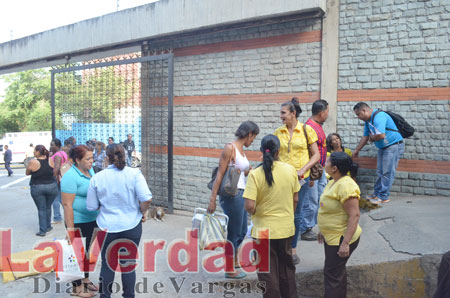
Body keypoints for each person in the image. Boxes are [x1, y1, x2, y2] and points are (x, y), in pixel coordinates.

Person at [86, 144, 152, 298]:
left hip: (106, 227)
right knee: (128, 265)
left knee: (108, 266)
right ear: (124, 155)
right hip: (131, 226)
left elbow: (91, 206)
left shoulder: (97, 177)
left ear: (106, 158)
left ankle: (105, 296)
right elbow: (146, 198)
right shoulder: (134, 174)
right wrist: (142, 211)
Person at [243, 135, 300, 298]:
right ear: (278, 151)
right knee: (287, 269)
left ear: (261, 151)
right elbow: (295, 198)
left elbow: (249, 206)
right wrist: (288, 214)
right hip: (286, 229)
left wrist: (256, 214)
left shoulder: (255, 174)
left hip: (262, 231)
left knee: (267, 272)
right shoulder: (290, 170)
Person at [207, 121, 260, 279]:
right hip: (232, 195)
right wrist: (212, 199)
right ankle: (229, 268)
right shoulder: (230, 148)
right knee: (234, 232)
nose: (253, 141)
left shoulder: (241, 150)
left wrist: (246, 171)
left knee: (243, 230)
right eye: (254, 137)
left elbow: (237, 174)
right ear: (249, 134)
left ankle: (235, 261)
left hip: (241, 194)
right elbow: (220, 174)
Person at [274, 97, 320, 264]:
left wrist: (304, 169)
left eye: (283, 113)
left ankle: (292, 248)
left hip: (301, 180)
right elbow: (275, 155)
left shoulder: (307, 130)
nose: (281, 116)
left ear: (293, 113)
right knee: (281, 213)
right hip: (282, 180)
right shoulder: (278, 132)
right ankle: (280, 246)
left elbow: (316, 154)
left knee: (296, 214)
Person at [318, 151, 361, 298]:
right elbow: (327, 209)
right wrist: (322, 230)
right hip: (332, 237)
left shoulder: (347, 186)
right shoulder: (333, 181)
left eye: (328, 161)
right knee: (336, 272)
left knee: (332, 274)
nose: (325, 163)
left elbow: (354, 215)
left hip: (340, 238)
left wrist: (345, 243)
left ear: (335, 168)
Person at [61, 145, 99, 298]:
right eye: (88, 159)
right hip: (77, 221)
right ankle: (76, 288)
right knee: (76, 254)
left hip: (92, 219)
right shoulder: (70, 176)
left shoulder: (90, 171)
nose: (91, 161)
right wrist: (70, 230)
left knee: (88, 253)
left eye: (92, 158)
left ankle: (85, 278)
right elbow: (67, 205)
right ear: (77, 160)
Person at [353, 102, 404, 204]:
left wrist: (372, 139)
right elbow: (365, 137)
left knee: (387, 172)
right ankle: (377, 194)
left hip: (393, 145)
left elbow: (380, 135)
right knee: (380, 172)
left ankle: (384, 196)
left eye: (358, 114)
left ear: (364, 111)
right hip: (383, 147)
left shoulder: (378, 116)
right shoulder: (368, 121)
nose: (358, 117)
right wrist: (357, 150)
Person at [305, 99, 329, 237]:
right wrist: (311, 174)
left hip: (320, 169)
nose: (327, 115)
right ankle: (306, 229)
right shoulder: (309, 127)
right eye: (327, 112)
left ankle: (317, 225)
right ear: (321, 113)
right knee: (311, 201)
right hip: (313, 171)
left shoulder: (318, 125)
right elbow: (309, 152)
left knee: (321, 198)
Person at [26, 145, 58, 236]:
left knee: (41, 209)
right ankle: (48, 226)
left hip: (37, 187)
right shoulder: (50, 159)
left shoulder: (33, 161)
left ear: (38, 152)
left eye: (34, 151)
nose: (33, 152)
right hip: (52, 186)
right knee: (48, 206)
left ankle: (42, 230)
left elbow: (27, 173)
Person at [49, 138, 68, 224]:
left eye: (52, 145)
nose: (51, 146)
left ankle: (57, 217)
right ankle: (67, 215)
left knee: (55, 199)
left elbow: (56, 168)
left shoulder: (57, 155)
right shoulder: (63, 153)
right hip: (63, 178)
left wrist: (52, 177)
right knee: (61, 199)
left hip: (57, 179)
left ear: (57, 145)